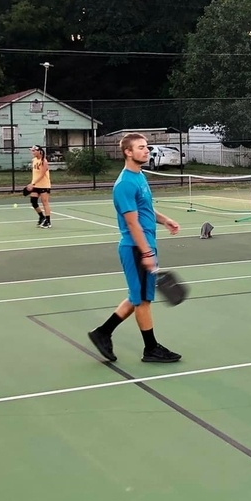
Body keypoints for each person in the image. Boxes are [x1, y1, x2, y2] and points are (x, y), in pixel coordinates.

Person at [87, 133, 182, 363]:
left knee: (137, 296)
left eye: (147, 147)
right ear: (128, 152)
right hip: (135, 247)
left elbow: (146, 208)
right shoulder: (125, 184)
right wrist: (147, 253)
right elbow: (132, 222)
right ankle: (151, 349)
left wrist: (164, 219)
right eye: (141, 147)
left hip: (146, 244)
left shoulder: (139, 176)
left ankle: (102, 333)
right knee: (143, 300)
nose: (146, 150)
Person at [23, 145, 52, 227]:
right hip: (35, 185)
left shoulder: (44, 161)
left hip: (44, 185)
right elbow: (35, 174)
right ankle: (42, 217)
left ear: (39, 151)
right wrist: (32, 184)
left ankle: (48, 221)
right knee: (33, 201)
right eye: (31, 151)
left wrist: (33, 183)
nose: (32, 152)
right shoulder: (34, 160)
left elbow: (42, 175)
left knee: (45, 202)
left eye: (34, 151)